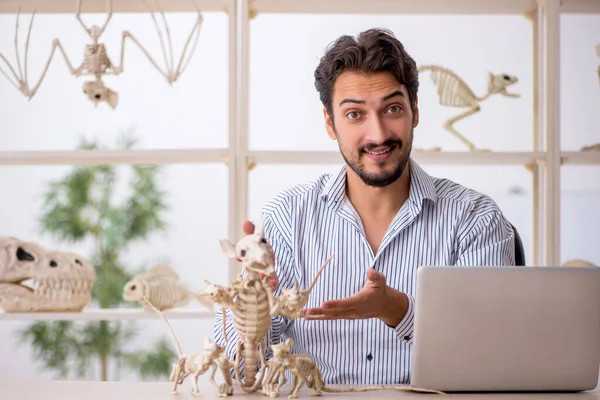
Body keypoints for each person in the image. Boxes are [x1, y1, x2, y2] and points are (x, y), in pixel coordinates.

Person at [213, 27, 515, 386]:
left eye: (392, 108)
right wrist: (251, 308)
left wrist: (399, 311)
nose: (378, 134)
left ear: (415, 112)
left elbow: (491, 357)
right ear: (330, 123)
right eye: (355, 114)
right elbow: (236, 371)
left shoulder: (476, 219)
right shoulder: (285, 217)